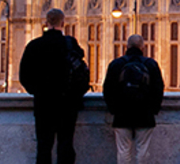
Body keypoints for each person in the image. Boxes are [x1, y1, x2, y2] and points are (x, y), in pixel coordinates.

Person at [19, 8, 87, 164]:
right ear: (63, 23)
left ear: (46, 23)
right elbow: (82, 72)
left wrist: (38, 91)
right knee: (66, 145)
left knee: (44, 147)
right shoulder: (70, 45)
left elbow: (24, 76)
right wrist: (75, 95)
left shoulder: (34, 46)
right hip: (67, 104)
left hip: (44, 104)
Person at [102, 34, 165, 164]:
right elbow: (158, 89)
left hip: (122, 113)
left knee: (123, 151)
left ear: (127, 47)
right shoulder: (151, 64)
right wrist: (153, 109)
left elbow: (107, 89)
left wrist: (114, 109)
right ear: (143, 47)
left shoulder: (116, 64)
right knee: (143, 150)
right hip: (145, 113)